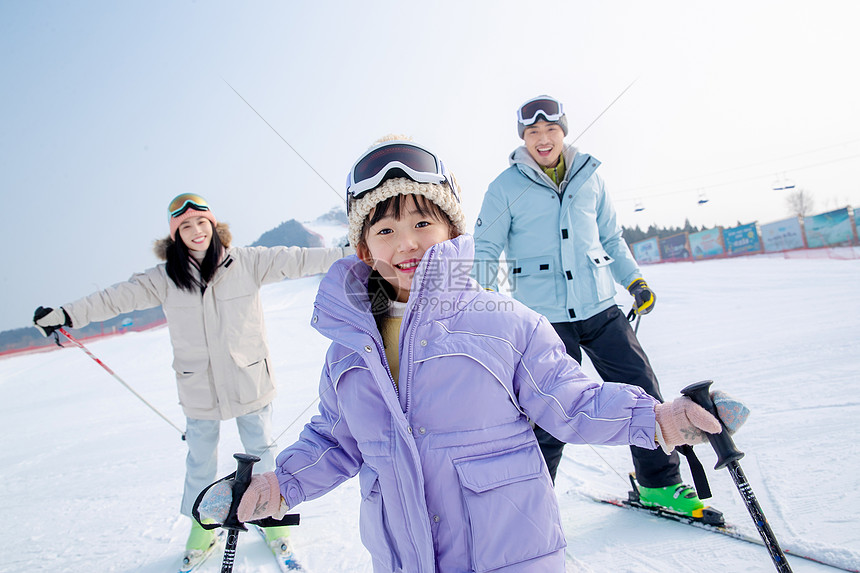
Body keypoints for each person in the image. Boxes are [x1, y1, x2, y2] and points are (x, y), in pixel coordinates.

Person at [196, 137, 742, 572]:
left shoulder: (504, 325)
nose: (406, 243)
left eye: (421, 223)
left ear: (452, 231)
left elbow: (573, 401)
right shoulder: (347, 353)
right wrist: (277, 485)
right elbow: (335, 441)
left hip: (512, 557)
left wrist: (660, 419)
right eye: (384, 229)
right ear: (363, 248)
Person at [32, 193, 351, 571]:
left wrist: (346, 251)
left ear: (214, 226)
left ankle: (274, 525)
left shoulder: (246, 261)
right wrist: (66, 313)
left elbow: (297, 259)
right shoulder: (164, 279)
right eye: (185, 226)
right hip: (199, 389)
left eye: (201, 222)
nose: (196, 231)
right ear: (174, 235)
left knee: (264, 454)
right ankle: (202, 532)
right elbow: (113, 298)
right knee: (200, 464)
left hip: (249, 380)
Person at [470, 94, 707, 518]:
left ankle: (660, 484)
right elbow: (486, 248)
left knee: (642, 389)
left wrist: (634, 280)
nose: (543, 140)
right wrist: (483, 301)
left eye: (551, 130)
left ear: (563, 131)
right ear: (523, 138)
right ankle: (533, 503)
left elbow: (611, 237)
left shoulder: (590, 176)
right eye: (533, 133)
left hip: (600, 306)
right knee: (549, 408)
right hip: (544, 317)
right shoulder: (505, 187)